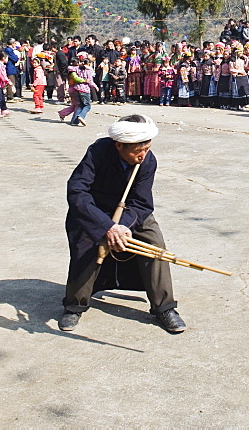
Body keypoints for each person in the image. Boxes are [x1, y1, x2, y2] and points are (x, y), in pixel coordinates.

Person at [59, 114, 185, 334]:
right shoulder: (97, 153)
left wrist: (123, 226)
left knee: (155, 245)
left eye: (147, 148)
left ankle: (164, 307)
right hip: (94, 211)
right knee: (86, 247)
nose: (143, 155)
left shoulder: (147, 161)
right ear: (120, 146)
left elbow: (142, 202)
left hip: (130, 212)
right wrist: (106, 226)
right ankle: (74, 305)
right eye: (138, 151)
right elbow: (77, 191)